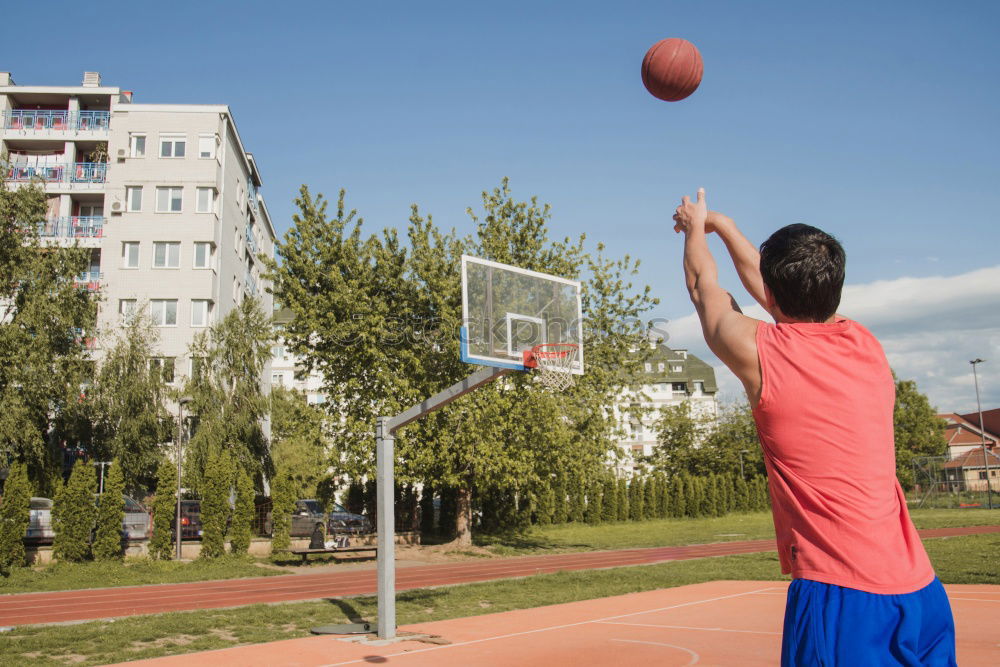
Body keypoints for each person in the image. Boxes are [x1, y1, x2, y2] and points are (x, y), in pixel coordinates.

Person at [672, 188, 956, 666]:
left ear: (772, 289)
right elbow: (776, 293)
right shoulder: (864, 342)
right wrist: (724, 226)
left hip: (842, 597)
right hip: (921, 592)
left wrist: (698, 227)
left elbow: (704, 287)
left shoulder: (761, 353)